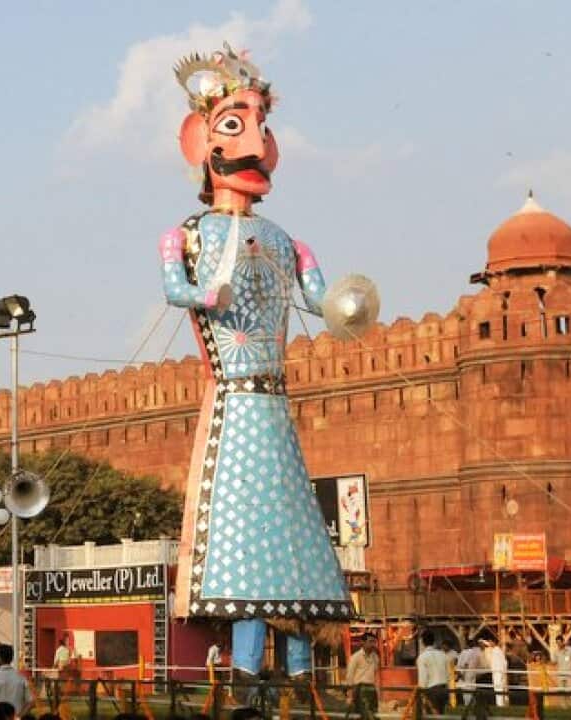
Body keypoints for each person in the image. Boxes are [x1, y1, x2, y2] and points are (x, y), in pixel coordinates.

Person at [164, 43, 355, 687]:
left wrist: (351, 305)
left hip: (275, 404)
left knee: (291, 530)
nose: (253, 146)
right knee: (243, 534)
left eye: (260, 128)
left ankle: (299, 671)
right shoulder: (187, 235)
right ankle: (248, 673)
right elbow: (177, 288)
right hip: (236, 402)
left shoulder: (286, 241)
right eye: (233, 125)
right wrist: (205, 292)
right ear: (202, 142)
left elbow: (323, 300)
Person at [0, 645, 32, 716]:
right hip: (15, 716)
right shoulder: (21, 678)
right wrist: (19, 716)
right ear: (12, 658)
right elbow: (30, 702)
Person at [345, 633, 379, 720]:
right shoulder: (355, 657)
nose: (373, 644)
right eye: (370, 641)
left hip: (371, 689)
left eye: (374, 642)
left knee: (373, 713)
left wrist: (376, 690)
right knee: (365, 715)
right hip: (359, 690)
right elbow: (350, 676)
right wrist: (350, 695)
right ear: (362, 642)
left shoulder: (375, 657)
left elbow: (375, 673)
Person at [416, 634, 450, 713]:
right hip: (444, 689)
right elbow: (448, 674)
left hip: (432, 690)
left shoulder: (422, 657)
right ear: (434, 641)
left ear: (422, 643)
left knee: (431, 716)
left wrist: (422, 695)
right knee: (442, 715)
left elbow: (423, 679)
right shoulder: (443, 655)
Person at [457, 637, 482, 706]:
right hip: (473, 673)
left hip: (466, 673)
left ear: (467, 645)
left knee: (466, 691)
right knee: (472, 689)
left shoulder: (464, 652)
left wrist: (461, 674)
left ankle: (468, 705)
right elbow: (478, 665)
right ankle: (473, 704)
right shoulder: (477, 653)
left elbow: (465, 664)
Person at [485, 640, 509, 707]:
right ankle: (502, 703)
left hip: (498, 672)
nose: (489, 644)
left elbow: (502, 663)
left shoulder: (496, 651)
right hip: (499, 672)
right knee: (500, 688)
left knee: (499, 688)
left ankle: (500, 704)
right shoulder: (496, 651)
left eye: (490, 642)